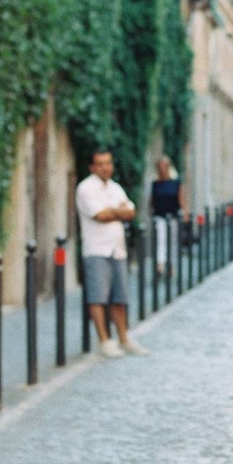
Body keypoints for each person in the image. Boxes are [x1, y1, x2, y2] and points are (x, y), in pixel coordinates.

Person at [76, 150, 149, 358]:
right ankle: (104, 340)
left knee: (120, 296)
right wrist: (118, 212)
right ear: (92, 167)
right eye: (100, 164)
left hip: (117, 249)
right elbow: (100, 215)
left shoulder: (115, 188)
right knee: (98, 296)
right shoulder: (86, 188)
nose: (105, 167)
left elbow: (131, 212)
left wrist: (113, 211)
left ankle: (124, 338)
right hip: (96, 248)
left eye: (108, 163)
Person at [150, 156, 185, 279]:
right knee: (161, 240)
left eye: (164, 166)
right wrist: (151, 211)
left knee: (172, 242)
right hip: (159, 216)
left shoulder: (176, 182)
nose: (162, 169)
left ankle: (171, 265)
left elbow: (181, 199)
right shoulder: (156, 183)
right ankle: (160, 265)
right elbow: (152, 200)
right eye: (160, 167)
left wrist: (184, 214)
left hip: (173, 216)